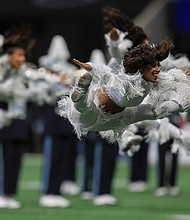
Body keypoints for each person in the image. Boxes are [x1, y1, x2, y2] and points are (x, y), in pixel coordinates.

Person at [59, 39, 190, 156]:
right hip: (95, 113)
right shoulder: (127, 81)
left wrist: (182, 76)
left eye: (158, 65)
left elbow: (170, 78)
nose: (157, 69)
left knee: (156, 113)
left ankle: (181, 127)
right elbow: (109, 74)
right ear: (141, 66)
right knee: (85, 109)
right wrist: (92, 67)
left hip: (116, 119)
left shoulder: (153, 79)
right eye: (153, 66)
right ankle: (81, 93)